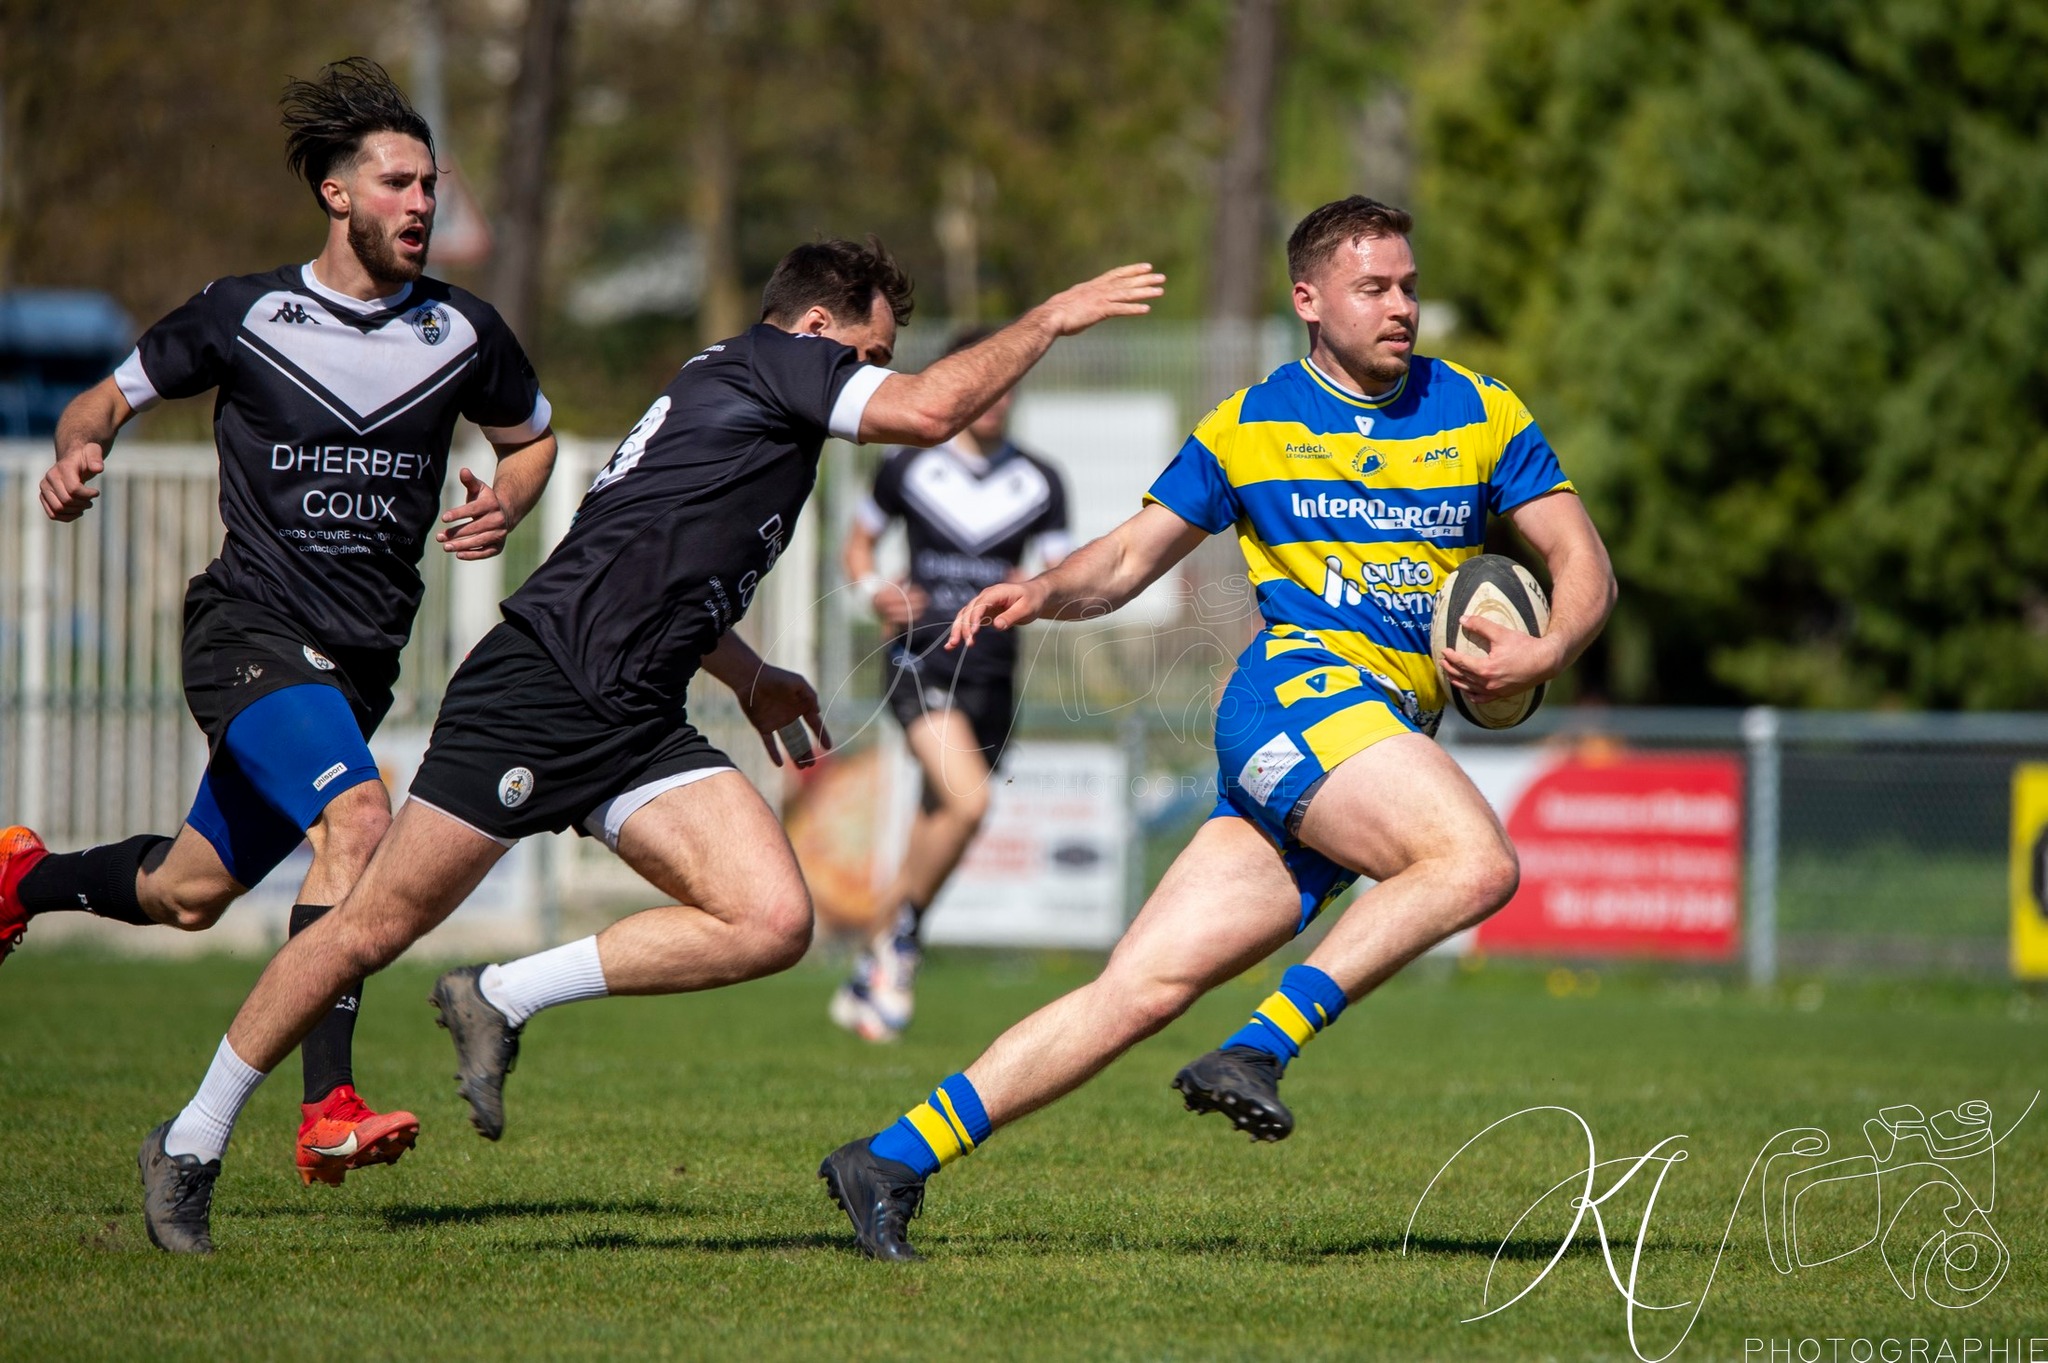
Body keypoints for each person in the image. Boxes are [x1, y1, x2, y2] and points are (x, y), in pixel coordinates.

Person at [133, 236, 1165, 1253]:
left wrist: (751, 674)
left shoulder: (736, 395)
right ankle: (191, 1138)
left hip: (633, 710)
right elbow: (935, 410)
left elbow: (651, 556)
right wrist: (1051, 317)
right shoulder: (776, 362)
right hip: (540, 690)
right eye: (869, 353)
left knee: (768, 919)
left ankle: (501, 992)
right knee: (366, 929)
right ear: (816, 329)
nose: (874, 376)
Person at [819, 196, 1617, 1261]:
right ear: (1307, 299)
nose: (1400, 306)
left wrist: (1544, 647)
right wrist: (1040, 589)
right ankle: (1257, 1047)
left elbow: (1582, 560)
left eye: (1409, 285)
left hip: (1363, 741)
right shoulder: (1249, 424)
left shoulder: (1478, 411)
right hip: (1299, 699)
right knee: (1473, 861)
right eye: (1372, 287)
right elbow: (1127, 557)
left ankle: (886, 1160)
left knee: (1133, 992)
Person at [0, 58, 556, 1193]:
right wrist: (78, 447)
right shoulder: (243, 313)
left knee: (190, 894)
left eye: (429, 185)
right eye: (397, 183)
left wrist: (510, 499)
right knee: (357, 818)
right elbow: (102, 397)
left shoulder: (463, 331)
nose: (420, 204)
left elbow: (532, 435)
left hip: (353, 666)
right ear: (336, 194)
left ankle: (20, 882)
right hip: (244, 628)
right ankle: (326, 1108)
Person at [830, 328, 1071, 1042]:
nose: (995, 398)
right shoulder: (907, 466)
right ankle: (900, 944)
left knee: (941, 820)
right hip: (921, 659)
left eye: (1006, 385)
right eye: (981, 384)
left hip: (994, 672)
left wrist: (1039, 589)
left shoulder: (1042, 480)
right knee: (968, 803)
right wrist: (876, 588)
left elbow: (1054, 575)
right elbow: (858, 544)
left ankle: (873, 960)